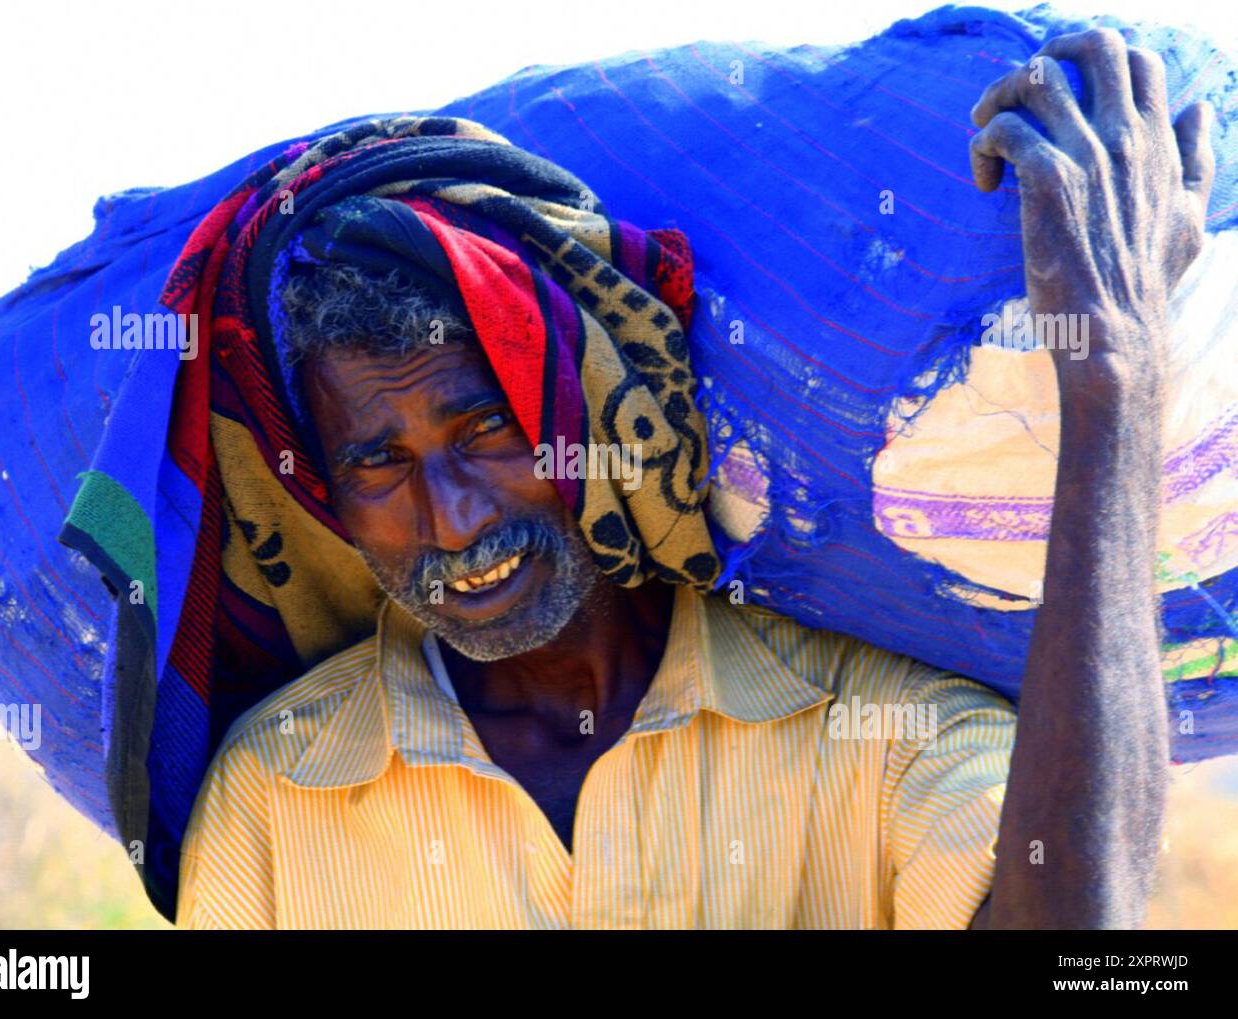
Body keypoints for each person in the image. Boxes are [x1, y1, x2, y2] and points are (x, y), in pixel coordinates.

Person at [174, 29, 1214, 929]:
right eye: (377, 462)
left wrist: (1110, 375)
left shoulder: (864, 729)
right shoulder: (280, 793)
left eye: (488, 429)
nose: (449, 519)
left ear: (582, 402)